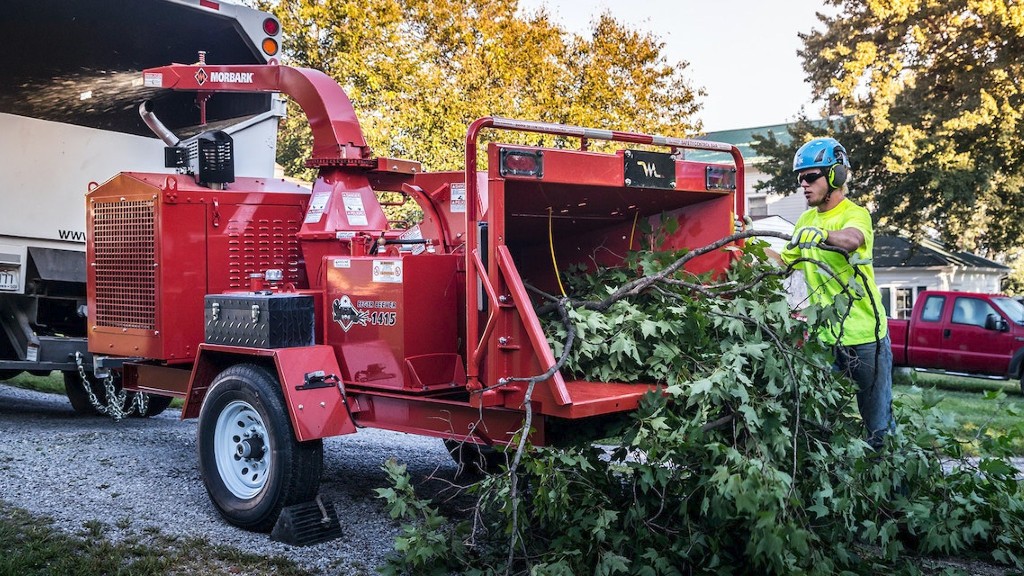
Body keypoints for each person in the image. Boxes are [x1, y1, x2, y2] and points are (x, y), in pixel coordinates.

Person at [780, 137, 894, 448]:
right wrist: (747, 242)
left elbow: (852, 240)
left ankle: (888, 489)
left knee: (878, 426)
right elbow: (785, 262)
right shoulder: (805, 220)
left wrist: (824, 235)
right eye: (800, 178)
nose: (803, 184)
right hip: (825, 340)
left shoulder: (855, 214)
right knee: (820, 421)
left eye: (810, 177)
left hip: (866, 338)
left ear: (835, 176)